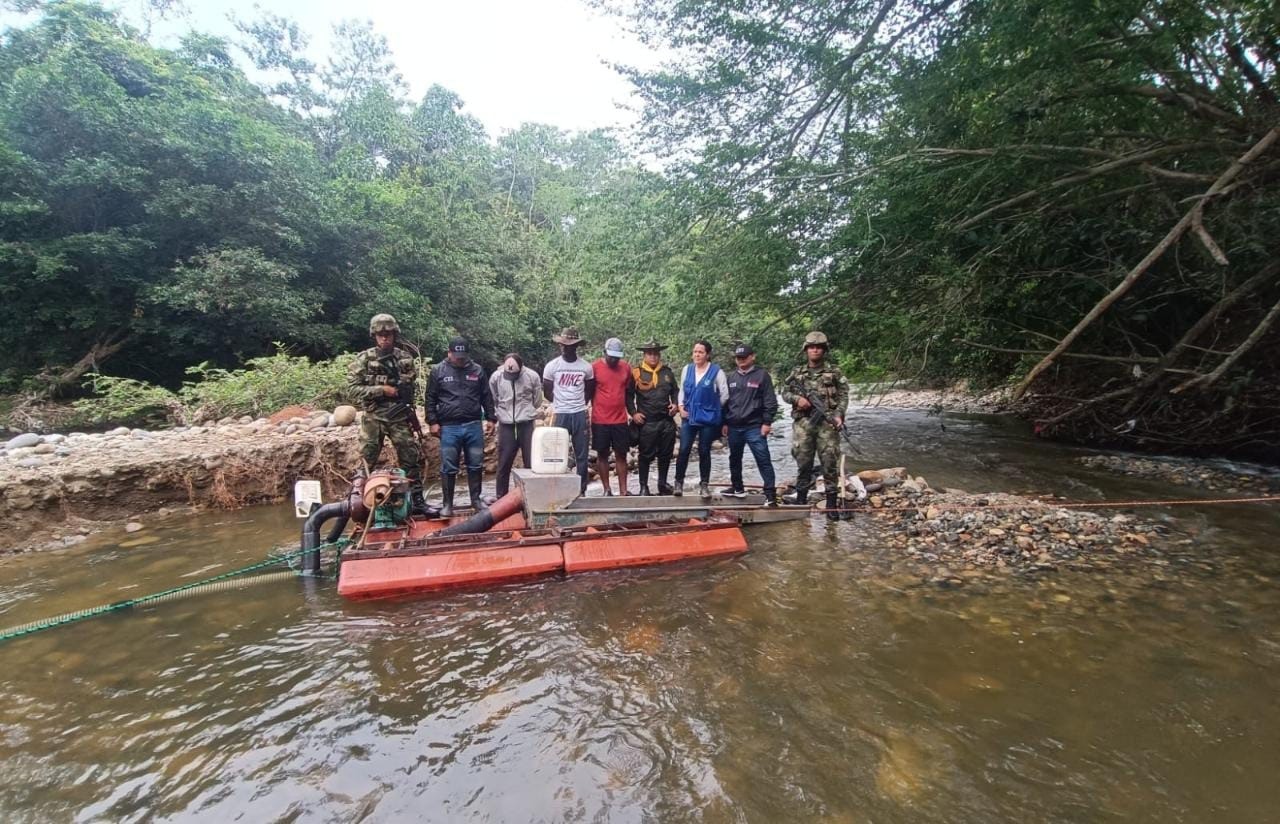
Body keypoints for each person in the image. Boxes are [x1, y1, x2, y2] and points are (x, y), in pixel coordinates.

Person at [347, 314, 428, 515]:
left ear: (394, 335)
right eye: (381, 335)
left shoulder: (404, 359)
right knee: (366, 458)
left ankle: (417, 501)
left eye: (388, 334)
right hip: (373, 416)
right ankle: (357, 502)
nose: (385, 339)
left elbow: (409, 389)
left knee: (410, 456)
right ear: (374, 336)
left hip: (398, 416)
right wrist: (381, 390)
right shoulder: (364, 359)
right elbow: (351, 389)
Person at [780, 330, 850, 520]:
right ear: (806, 350)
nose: (815, 350)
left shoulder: (834, 372)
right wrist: (797, 399)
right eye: (812, 347)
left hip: (828, 424)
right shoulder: (797, 373)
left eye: (819, 347)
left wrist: (839, 415)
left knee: (829, 463)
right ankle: (801, 500)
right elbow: (784, 392)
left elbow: (844, 395)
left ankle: (831, 504)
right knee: (803, 462)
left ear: (824, 350)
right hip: (803, 423)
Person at [425, 336, 495, 516]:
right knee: (448, 466)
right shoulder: (438, 371)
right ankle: (447, 504)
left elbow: (486, 396)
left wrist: (491, 418)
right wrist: (432, 421)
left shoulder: (477, 371)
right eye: (456, 355)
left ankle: (476, 500)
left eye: (463, 356)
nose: (460, 359)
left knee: (476, 464)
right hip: (449, 427)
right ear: (449, 353)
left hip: (473, 425)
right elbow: (430, 398)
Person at [721, 342, 779, 504]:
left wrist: (767, 422)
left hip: (754, 426)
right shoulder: (731, 377)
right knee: (734, 458)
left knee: (763, 459)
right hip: (733, 426)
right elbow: (725, 402)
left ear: (752, 357)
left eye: (744, 357)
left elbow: (770, 401)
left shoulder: (762, 375)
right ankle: (737, 487)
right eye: (738, 358)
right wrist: (724, 422)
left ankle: (770, 494)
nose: (741, 360)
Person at [542, 326, 595, 493]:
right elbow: (547, 391)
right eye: (563, 345)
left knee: (582, 454)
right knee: (557, 454)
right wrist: (560, 402)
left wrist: (580, 403)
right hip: (560, 413)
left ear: (576, 346)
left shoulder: (585, 367)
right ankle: (559, 490)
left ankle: (582, 490)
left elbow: (589, 390)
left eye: (570, 345)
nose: (566, 348)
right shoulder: (552, 366)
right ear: (560, 346)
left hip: (579, 413)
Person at [674, 340, 728, 498]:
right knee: (684, 449)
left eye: (701, 352)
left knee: (704, 450)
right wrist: (681, 406)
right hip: (689, 416)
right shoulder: (687, 369)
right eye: (695, 352)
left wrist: (713, 408)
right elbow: (683, 390)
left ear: (707, 354)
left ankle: (704, 485)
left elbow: (724, 395)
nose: (697, 355)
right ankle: (679, 483)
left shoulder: (716, 371)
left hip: (708, 418)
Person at [488, 352, 544, 497]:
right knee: (504, 463)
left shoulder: (532, 376)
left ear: (521, 368)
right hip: (506, 424)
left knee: (531, 463)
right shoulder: (496, 377)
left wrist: (527, 410)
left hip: (526, 424)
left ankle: (532, 496)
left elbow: (537, 400)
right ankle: (501, 497)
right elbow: (493, 397)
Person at [628, 338, 678, 496]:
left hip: (666, 421)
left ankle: (662, 484)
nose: (653, 357)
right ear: (644, 355)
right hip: (647, 422)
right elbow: (628, 396)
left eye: (656, 354)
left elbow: (675, 391)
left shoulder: (667, 372)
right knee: (645, 455)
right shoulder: (636, 373)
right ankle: (644, 486)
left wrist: (675, 404)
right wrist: (634, 413)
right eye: (650, 354)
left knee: (665, 454)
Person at [591, 337, 635, 496]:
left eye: (617, 357)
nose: (614, 360)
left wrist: (632, 412)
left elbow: (628, 391)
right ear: (604, 353)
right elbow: (589, 391)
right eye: (611, 356)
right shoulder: (595, 367)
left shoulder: (626, 368)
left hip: (620, 419)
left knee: (621, 454)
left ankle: (623, 490)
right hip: (600, 419)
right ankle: (606, 489)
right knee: (602, 454)